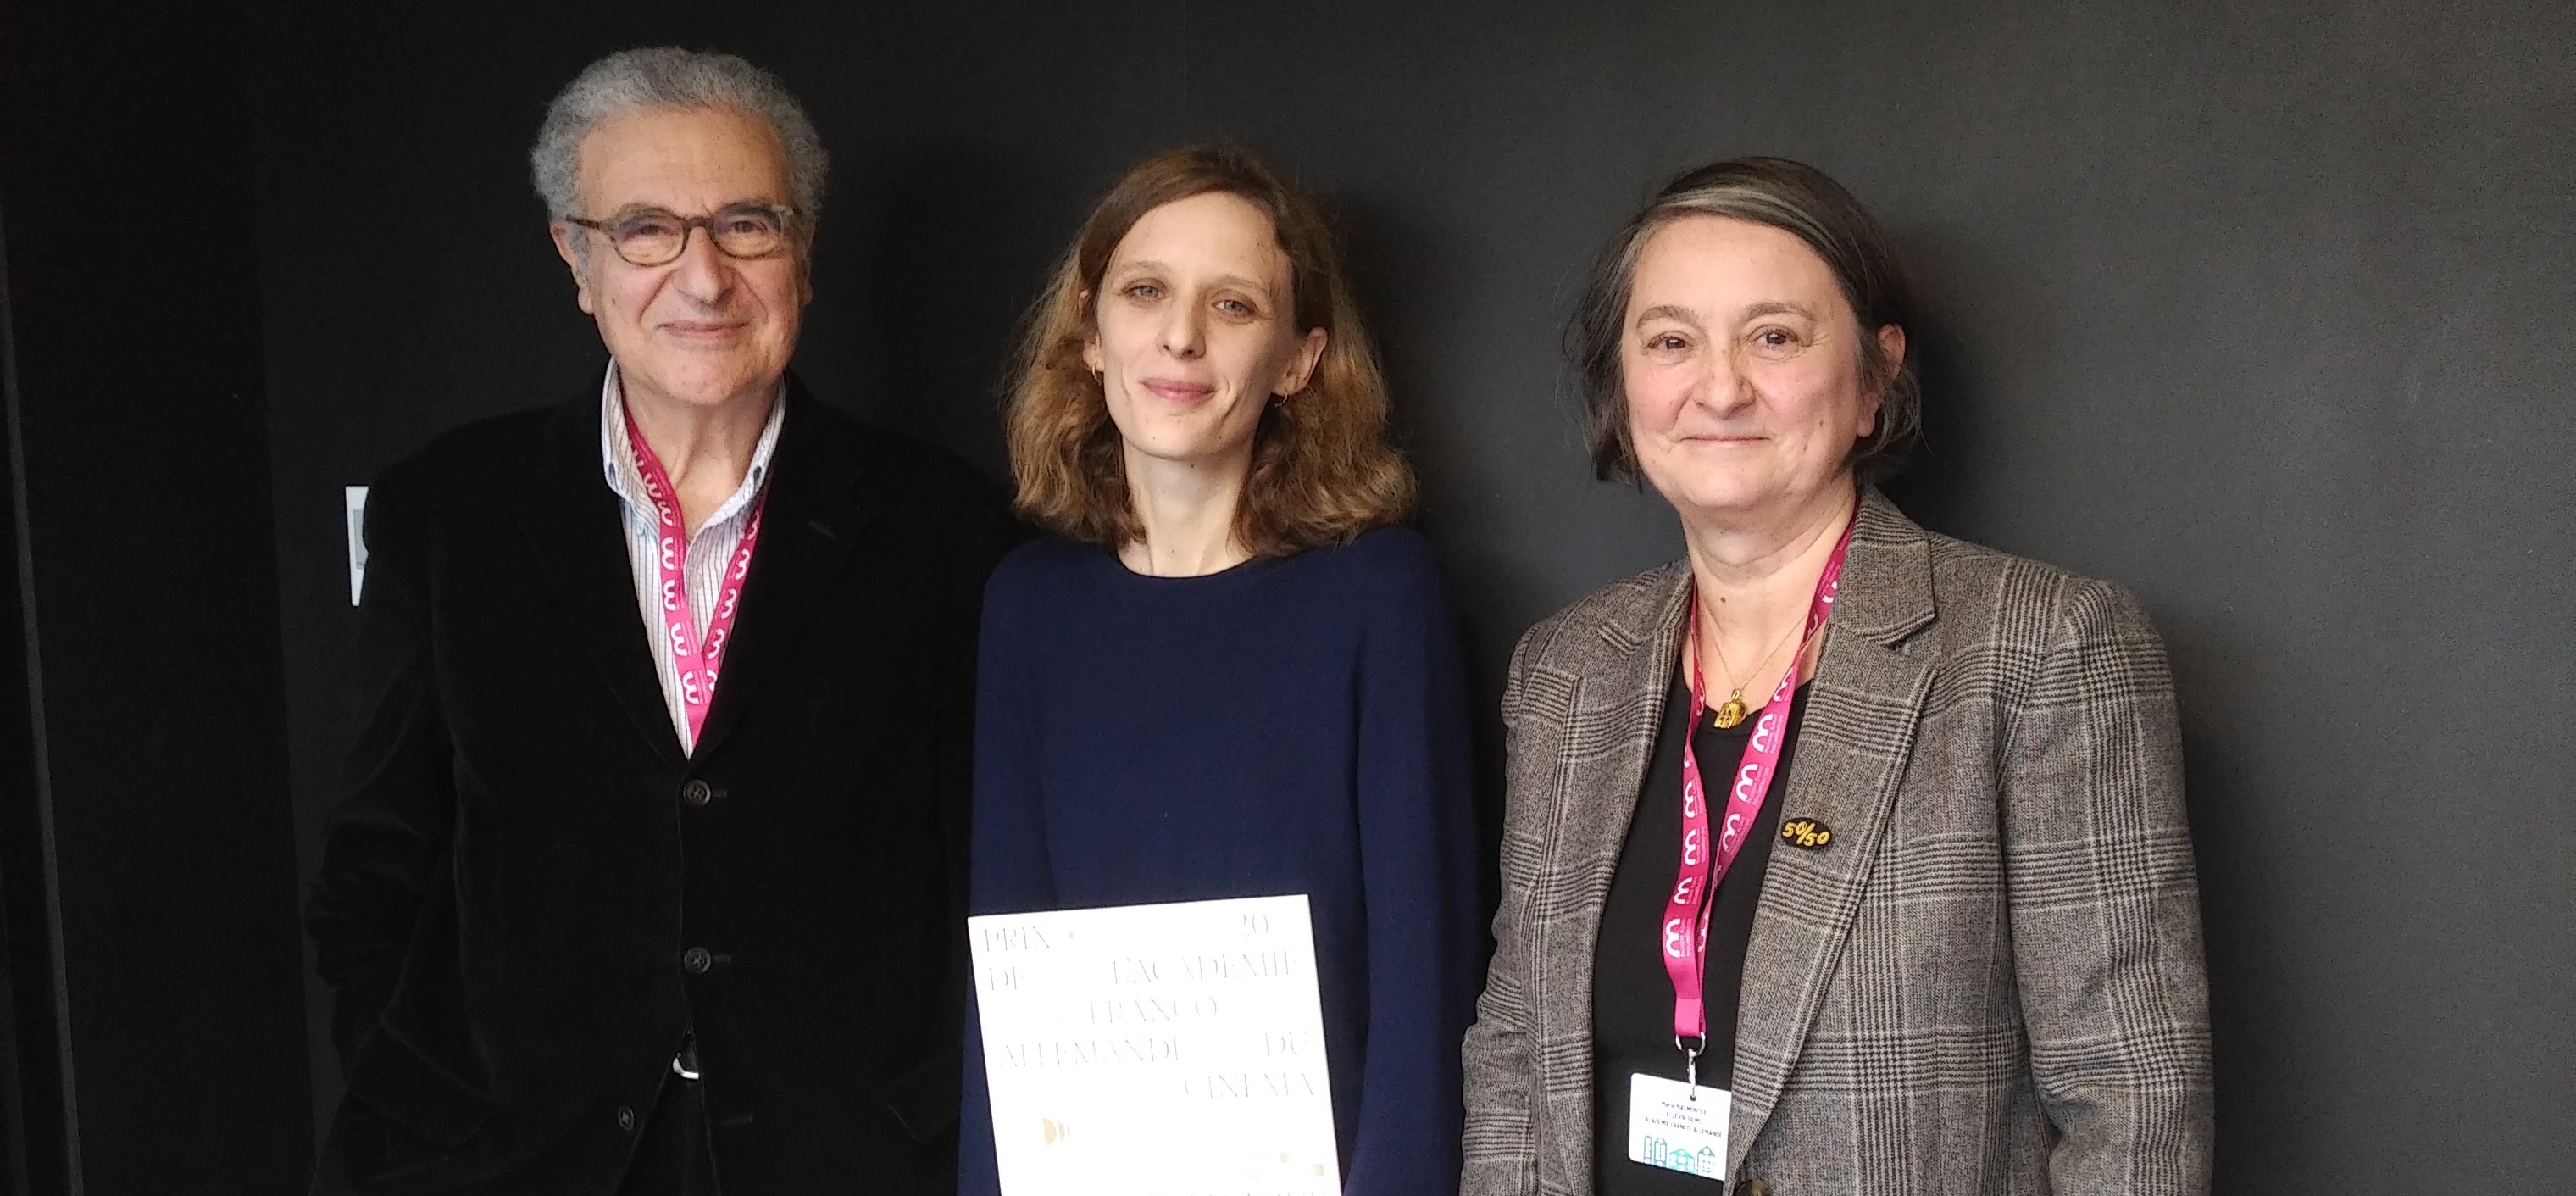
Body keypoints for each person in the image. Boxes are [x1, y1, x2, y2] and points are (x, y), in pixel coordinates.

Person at [304, 48, 1017, 1195]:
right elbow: (381, 859)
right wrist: (423, 1102)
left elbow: (989, 874)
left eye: (746, 225)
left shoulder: (949, 530)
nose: (702, 278)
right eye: (645, 229)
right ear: (575, 260)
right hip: (509, 1157)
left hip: (849, 1157)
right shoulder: (451, 511)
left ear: (806, 251)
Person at [1459, 158, 2212, 1196]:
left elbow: (2132, 1101)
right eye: (1670, 341)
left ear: (1874, 377)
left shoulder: (2042, 648)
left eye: (1774, 336)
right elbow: (1514, 1049)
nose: (1718, 387)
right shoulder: (1565, 671)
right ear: (1621, 385)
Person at [957, 147, 1482, 1196]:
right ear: (1091, 337)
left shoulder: (1379, 593)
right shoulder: (1028, 603)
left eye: (1234, 304)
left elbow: (1426, 969)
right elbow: (1003, 963)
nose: (1181, 335)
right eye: (1145, 291)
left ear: (1297, 359)